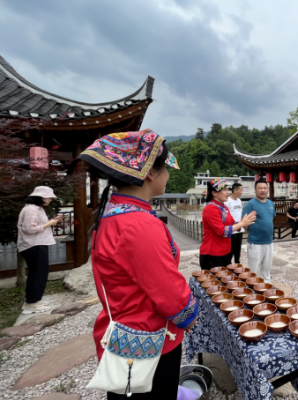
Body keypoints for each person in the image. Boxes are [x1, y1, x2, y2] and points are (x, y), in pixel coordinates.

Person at [73, 129, 198, 399]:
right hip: (148, 337)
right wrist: (191, 314)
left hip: (122, 324)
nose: (167, 175)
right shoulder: (139, 224)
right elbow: (168, 292)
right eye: (165, 168)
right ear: (150, 173)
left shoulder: (114, 214)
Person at [17, 186, 63, 314]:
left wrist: (52, 221)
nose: (50, 200)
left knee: (39, 273)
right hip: (33, 245)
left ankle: (35, 300)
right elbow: (29, 229)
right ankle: (31, 303)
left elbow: (35, 226)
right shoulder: (31, 209)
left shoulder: (36, 209)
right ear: (40, 197)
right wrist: (50, 223)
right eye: (48, 197)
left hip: (37, 244)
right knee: (38, 274)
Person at [201, 179, 256, 270]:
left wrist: (245, 221)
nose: (228, 192)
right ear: (214, 193)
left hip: (225, 251)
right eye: (225, 190)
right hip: (212, 253)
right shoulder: (210, 208)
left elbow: (232, 222)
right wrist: (242, 223)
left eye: (228, 189)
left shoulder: (224, 206)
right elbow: (222, 231)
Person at [243, 180, 276, 282]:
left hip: (269, 241)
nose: (263, 190)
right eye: (260, 188)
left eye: (265, 188)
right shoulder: (250, 204)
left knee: (266, 268)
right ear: (255, 190)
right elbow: (244, 223)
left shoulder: (270, 203)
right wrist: (253, 232)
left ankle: (267, 285)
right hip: (255, 242)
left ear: (268, 190)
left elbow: (271, 218)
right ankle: (250, 287)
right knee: (252, 269)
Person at [226, 183, 245, 264]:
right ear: (235, 190)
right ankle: (228, 265)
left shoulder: (239, 201)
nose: (242, 192)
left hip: (240, 228)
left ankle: (237, 264)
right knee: (231, 249)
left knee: (238, 249)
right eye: (240, 190)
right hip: (232, 229)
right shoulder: (228, 201)